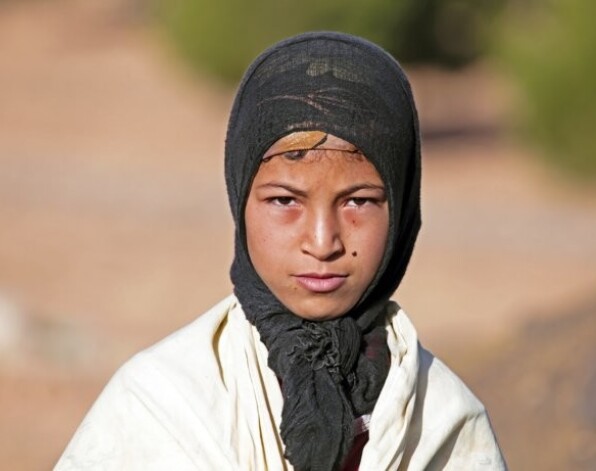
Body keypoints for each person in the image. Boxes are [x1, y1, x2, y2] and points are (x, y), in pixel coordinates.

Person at [56, 31, 507, 470]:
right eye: (285, 201)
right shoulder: (163, 402)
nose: (322, 241)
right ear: (240, 201)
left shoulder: (443, 420)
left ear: (402, 211)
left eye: (359, 201)